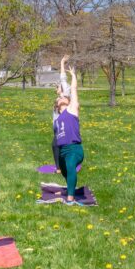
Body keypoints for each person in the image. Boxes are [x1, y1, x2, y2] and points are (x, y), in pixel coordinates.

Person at [54, 67, 85, 205]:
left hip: (74, 149)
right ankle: (70, 188)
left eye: (63, 97)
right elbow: (60, 95)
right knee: (64, 170)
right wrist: (59, 94)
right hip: (63, 150)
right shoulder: (57, 118)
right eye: (59, 98)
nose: (62, 98)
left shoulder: (72, 109)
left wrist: (73, 74)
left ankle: (70, 198)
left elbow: (73, 90)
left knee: (71, 167)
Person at [51, 55, 70, 169]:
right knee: (58, 145)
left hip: (63, 126)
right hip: (57, 127)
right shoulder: (59, 97)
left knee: (56, 145)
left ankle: (59, 168)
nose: (56, 89)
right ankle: (61, 166)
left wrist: (62, 62)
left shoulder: (65, 94)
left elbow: (63, 78)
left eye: (57, 87)